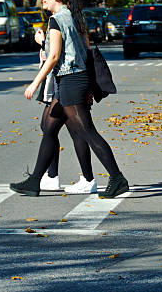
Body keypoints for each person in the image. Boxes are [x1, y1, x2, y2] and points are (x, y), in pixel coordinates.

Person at [10, 0, 129, 198]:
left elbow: (54, 56)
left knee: (87, 132)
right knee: (50, 128)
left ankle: (117, 177)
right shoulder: (72, 17)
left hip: (71, 80)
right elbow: (81, 49)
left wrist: (35, 83)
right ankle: (36, 180)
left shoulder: (57, 20)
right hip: (73, 80)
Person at [34, 19, 96, 195]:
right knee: (56, 128)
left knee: (77, 131)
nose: (43, 1)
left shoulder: (61, 20)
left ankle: (88, 178)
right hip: (69, 82)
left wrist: (42, 42)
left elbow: (55, 54)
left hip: (66, 81)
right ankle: (52, 176)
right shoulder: (75, 20)